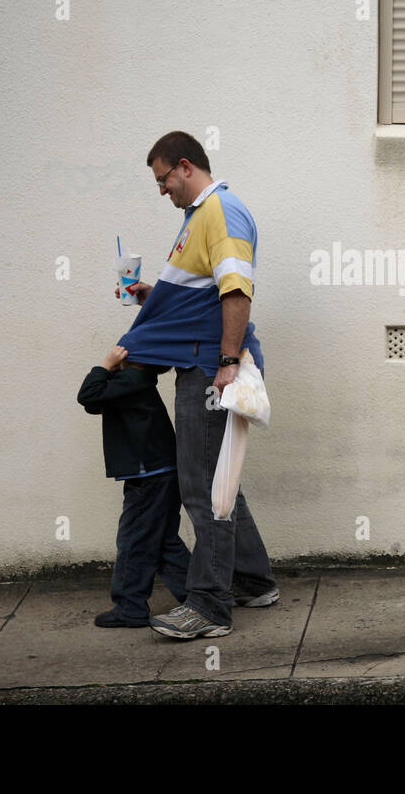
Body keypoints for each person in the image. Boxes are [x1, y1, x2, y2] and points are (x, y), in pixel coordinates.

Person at [116, 130, 278, 639]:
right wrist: (154, 298)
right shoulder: (200, 217)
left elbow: (236, 289)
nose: (161, 190)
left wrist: (227, 360)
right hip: (205, 362)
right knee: (218, 479)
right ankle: (253, 580)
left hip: (210, 368)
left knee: (202, 486)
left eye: (163, 179)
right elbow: (205, 293)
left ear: (185, 166)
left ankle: (208, 605)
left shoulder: (221, 212)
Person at [76, 344, 190, 627]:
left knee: (134, 540)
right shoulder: (133, 383)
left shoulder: (132, 381)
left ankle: (130, 607)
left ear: (133, 359)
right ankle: (200, 595)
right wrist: (111, 371)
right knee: (163, 541)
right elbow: (94, 403)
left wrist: (104, 364)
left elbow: (87, 395)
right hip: (162, 474)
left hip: (148, 478)